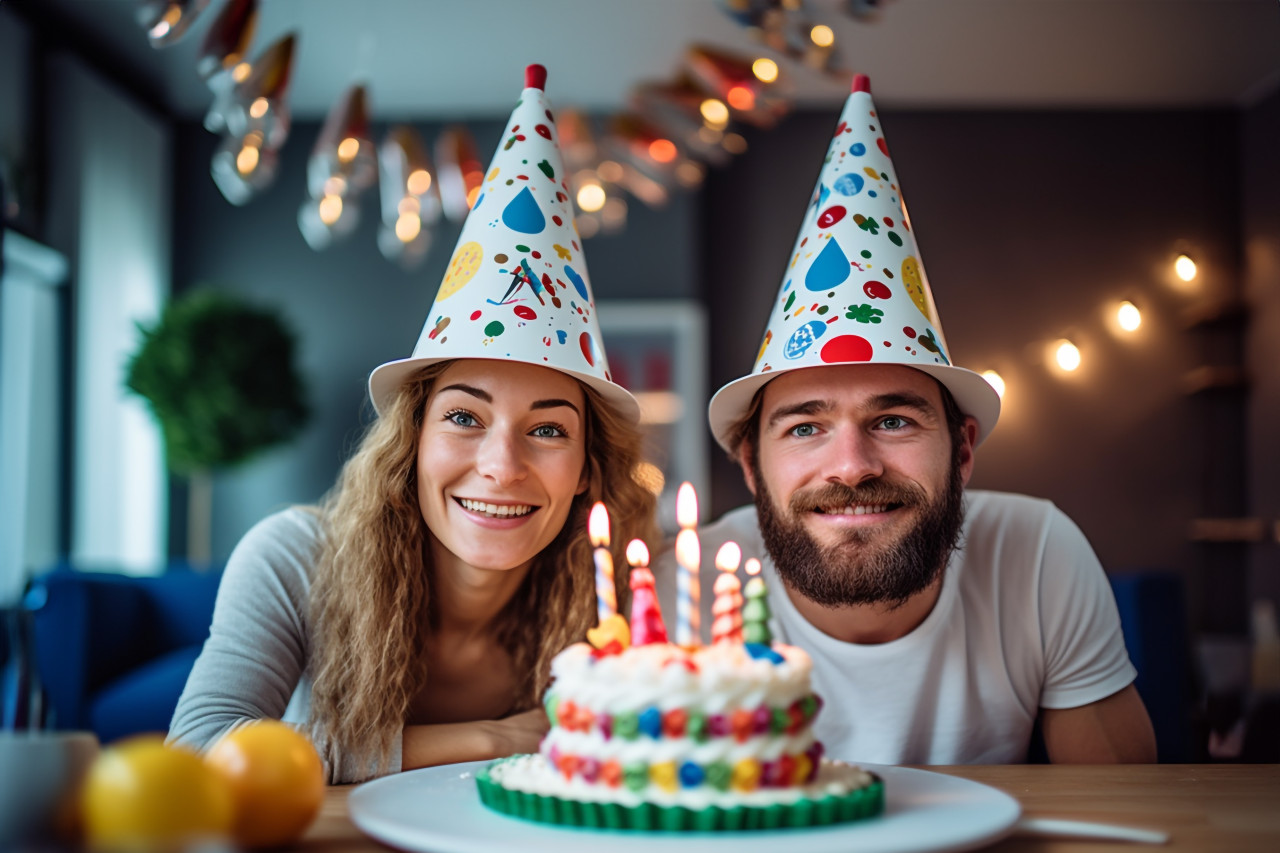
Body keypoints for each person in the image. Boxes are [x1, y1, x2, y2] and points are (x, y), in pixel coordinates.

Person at [169, 65, 656, 783]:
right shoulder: (294, 558)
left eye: (548, 429)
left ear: (588, 467)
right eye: (464, 416)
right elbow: (200, 749)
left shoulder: (617, 594)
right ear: (411, 442)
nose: (500, 464)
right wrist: (494, 737)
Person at [658, 74, 1156, 765]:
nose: (853, 465)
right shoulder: (683, 588)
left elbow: (1123, 814)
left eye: (893, 420)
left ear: (962, 450)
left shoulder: (1038, 553)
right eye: (805, 426)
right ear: (750, 464)